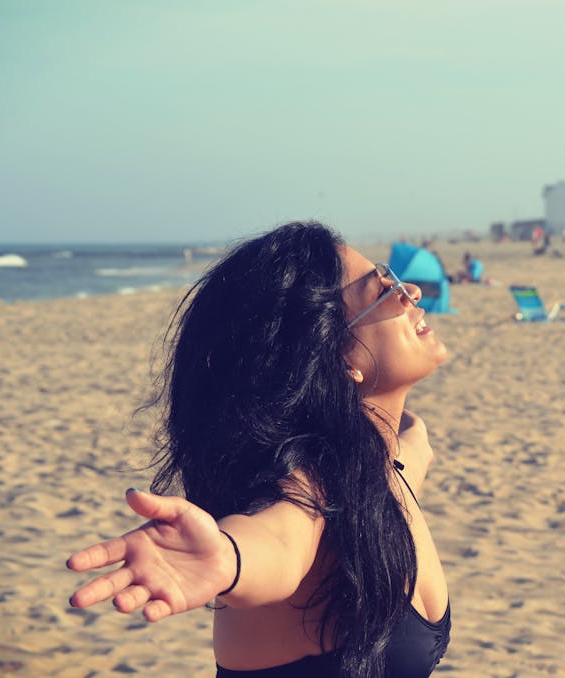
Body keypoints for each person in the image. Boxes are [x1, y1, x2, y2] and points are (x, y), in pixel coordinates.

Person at [66, 222, 451, 678]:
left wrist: (412, 433)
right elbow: (279, 538)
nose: (410, 292)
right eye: (383, 291)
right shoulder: (314, 485)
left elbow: (412, 449)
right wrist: (228, 557)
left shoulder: (385, 460)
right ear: (340, 357)